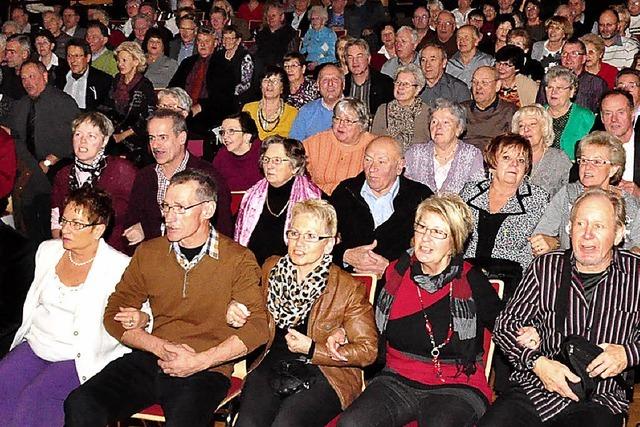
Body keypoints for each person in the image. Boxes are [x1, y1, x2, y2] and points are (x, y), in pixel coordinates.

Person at [64, 169, 270, 426]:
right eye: (166, 206)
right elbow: (113, 312)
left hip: (205, 369)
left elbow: (258, 328)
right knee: (81, 402)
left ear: (207, 210)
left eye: (180, 208)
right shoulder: (149, 253)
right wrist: (157, 346)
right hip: (152, 357)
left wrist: (200, 361)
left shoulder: (237, 259)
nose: (169, 217)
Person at [337, 193, 503, 427]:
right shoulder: (397, 273)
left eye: (437, 232)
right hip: (397, 378)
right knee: (351, 423)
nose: (425, 239)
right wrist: (345, 332)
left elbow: (506, 323)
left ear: (454, 241)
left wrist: (531, 340)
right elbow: (370, 321)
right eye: (422, 228)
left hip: (456, 385)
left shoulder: (470, 280)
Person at [478, 188, 640, 427]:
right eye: (580, 224)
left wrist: (628, 353)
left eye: (598, 226)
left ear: (617, 235)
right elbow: (505, 325)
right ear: (569, 229)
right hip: (536, 386)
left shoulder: (636, 274)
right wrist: (538, 363)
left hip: (599, 398)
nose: (587, 235)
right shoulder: (546, 267)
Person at [231, 199, 378, 426]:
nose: (299, 243)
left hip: (326, 372)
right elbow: (252, 311)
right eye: (294, 233)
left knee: (287, 423)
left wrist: (312, 348)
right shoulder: (271, 269)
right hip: (272, 362)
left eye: (311, 236)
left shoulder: (347, 287)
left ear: (329, 244)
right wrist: (235, 310)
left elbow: (368, 351)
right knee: (247, 423)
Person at [0, 187, 133, 427]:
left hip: (77, 354)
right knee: (3, 382)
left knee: (36, 398)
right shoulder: (47, 251)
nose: (66, 229)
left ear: (98, 229)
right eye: (65, 220)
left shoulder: (119, 267)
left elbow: (139, 315)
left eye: (76, 223)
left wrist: (138, 318)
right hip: (38, 343)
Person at [124, 109, 233, 246]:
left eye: (163, 137)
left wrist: (146, 228)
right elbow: (131, 223)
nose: (155, 145)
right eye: (152, 138)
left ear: (182, 138)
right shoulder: (145, 176)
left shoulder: (206, 176)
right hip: (155, 258)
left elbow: (223, 231)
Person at [330, 136, 433, 277]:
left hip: (398, 286)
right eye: (368, 159)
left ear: (399, 166)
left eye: (382, 162)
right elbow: (317, 241)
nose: (372, 168)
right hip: (347, 283)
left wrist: (392, 268)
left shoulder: (420, 197)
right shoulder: (345, 192)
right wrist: (345, 255)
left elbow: (435, 252)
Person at [531, 131, 640, 256]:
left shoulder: (629, 203)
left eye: (596, 162)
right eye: (583, 160)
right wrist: (552, 243)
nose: (587, 167)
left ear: (613, 169)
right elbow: (542, 233)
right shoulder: (568, 194)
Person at [460, 133, 549, 284]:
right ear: (492, 163)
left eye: (521, 160)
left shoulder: (538, 198)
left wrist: (552, 242)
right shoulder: (470, 191)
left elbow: (551, 239)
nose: (514, 164)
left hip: (513, 281)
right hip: (466, 276)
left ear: (526, 168)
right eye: (506, 158)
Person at [9, 60, 80, 243]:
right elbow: (15, 139)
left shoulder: (64, 102)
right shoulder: (20, 106)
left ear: (45, 76)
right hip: (27, 171)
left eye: (32, 76)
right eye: (23, 78)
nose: (27, 82)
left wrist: (50, 161)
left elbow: (76, 138)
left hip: (55, 171)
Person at [51, 113, 136, 254]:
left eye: (91, 136)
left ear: (104, 141)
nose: (82, 141)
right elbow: (56, 220)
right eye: (78, 134)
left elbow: (144, 210)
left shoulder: (122, 170)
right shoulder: (63, 174)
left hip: (113, 252)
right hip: (72, 251)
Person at [235, 135, 322, 264]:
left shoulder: (314, 200)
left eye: (277, 160)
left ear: (295, 167)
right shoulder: (252, 196)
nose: (269, 166)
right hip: (253, 272)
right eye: (266, 160)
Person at [405, 99, 484, 194]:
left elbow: (476, 194)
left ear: (459, 128)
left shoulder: (472, 155)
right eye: (434, 122)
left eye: (445, 122)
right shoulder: (414, 153)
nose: (438, 127)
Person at [303, 98, 376, 195]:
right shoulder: (317, 141)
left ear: (362, 125)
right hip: (318, 201)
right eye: (337, 119)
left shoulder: (374, 146)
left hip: (354, 203)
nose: (341, 125)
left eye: (348, 121)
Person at [109, 41, 156, 164]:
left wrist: (123, 135)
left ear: (135, 62)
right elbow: (108, 107)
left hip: (136, 137)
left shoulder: (145, 85)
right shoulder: (116, 80)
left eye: (124, 60)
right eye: (119, 60)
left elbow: (149, 117)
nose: (120, 64)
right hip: (114, 132)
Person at [512, 104, 572, 196]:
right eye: (521, 126)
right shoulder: (509, 158)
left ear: (544, 128)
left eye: (532, 124)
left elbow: (569, 195)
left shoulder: (559, 159)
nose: (526, 129)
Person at [536, 39, 608, 114]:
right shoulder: (549, 80)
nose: (568, 58)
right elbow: (540, 109)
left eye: (574, 54)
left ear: (584, 58)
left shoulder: (597, 83)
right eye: (564, 54)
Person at [541, 66, 595, 160]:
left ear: (572, 91)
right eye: (550, 87)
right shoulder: (537, 114)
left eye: (559, 88)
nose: (553, 92)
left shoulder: (585, 116)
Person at [371, 64, 429, 151]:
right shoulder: (383, 110)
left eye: (406, 84)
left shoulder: (427, 112)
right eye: (398, 83)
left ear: (417, 89)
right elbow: (374, 141)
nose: (400, 87)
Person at [462, 66, 517, 150]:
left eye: (484, 83)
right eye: (474, 82)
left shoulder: (510, 111)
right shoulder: (461, 110)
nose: (478, 87)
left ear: (497, 86)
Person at [599, 89, 640, 196]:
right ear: (602, 118)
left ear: (632, 114)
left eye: (620, 112)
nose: (614, 119)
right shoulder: (591, 147)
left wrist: (638, 194)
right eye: (608, 113)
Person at [290, 63, 345, 141]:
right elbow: (294, 144)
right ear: (318, 86)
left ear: (343, 84)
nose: (330, 84)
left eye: (335, 79)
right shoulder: (306, 111)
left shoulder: (355, 110)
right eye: (325, 80)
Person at [57, 38, 113, 112]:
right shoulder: (59, 75)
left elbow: (105, 109)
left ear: (88, 58)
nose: (72, 60)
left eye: (77, 56)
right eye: (69, 56)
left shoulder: (103, 80)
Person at [243, 66, 298, 140]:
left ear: (282, 88)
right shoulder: (248, 109)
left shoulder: (293, 113)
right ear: (260, 86)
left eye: (275, 81)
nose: (269, 84)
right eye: (266, 80)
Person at [212, 112, 263, 192]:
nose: (225, 136)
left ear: (247, 136)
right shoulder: (222, 155)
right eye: (223, 132)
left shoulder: (263, 153)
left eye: (231, 131)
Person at [343, 38, 394, 116]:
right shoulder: (341, 83)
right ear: (346, 61)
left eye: (359, 56)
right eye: (350, 57)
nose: (354, 61)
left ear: (368, 59)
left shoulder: (385, 83)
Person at [419, 42, 471, 107]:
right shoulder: (413, 86)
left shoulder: (458, 89)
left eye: (432, 60)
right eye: (423, 60)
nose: (427, 65)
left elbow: (465, 115)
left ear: (444, 62)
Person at [255, 3, 297, 72]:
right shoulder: (262, 32)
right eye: (268, 16)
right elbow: (255, 50)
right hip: (259, 67)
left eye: (273, 15)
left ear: (282, 17)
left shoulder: (290, 33)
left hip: (279, 69)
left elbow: (291, 56)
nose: (270, 18)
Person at [218, 25, 253, 103]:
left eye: (230, 38)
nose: (226, 41)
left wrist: (229, 92)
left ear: (238, 40)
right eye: (224, 38)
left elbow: (246, 83)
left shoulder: (245, 57)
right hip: (219, 95)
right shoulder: (218, 55)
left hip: (237, 98)